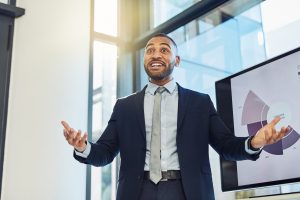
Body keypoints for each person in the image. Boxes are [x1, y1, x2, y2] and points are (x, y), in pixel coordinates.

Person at [62, 33, 289, 200]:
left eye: (164, 49)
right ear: (144, 60)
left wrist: (253, 142)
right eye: (150, 50)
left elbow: (226, 145)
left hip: (187, 191)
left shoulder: (200, 103)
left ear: (176, 60)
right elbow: (105, 153)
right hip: (136, 192)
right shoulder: (124, 107)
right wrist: (83, 147)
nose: (156, 54)